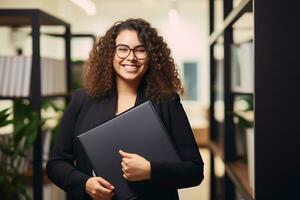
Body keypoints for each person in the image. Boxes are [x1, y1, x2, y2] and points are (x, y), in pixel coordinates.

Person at [46, 18, 204, 200]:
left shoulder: (167, 102)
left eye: (140, 49)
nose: (131, 57)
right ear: (110, 54)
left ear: (151, 55)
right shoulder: (82, 100)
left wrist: (150, 170)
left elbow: (194, 170)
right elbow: (56, 164)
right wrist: (85, 183)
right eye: (122, 49)